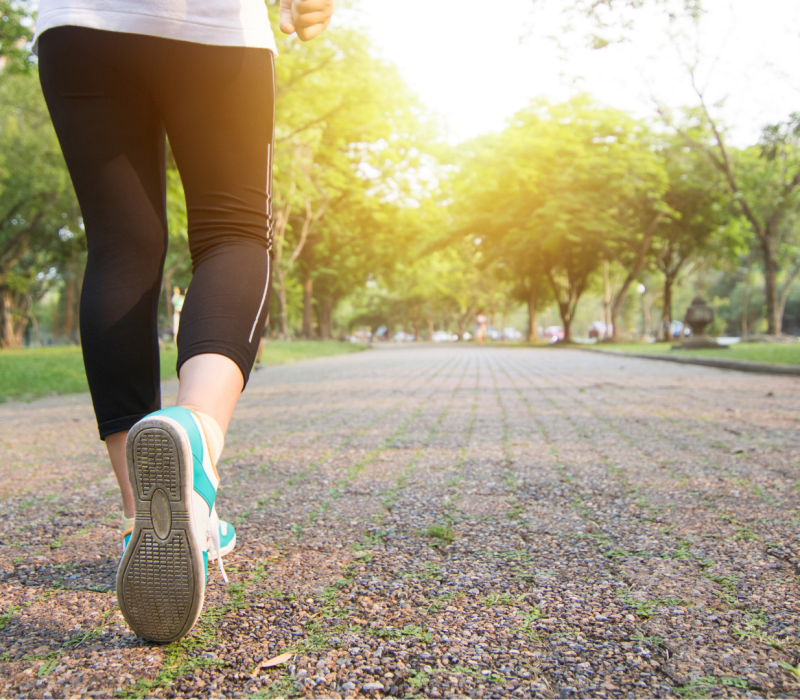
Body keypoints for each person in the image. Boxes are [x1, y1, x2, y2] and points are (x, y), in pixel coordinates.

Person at [34, 0, 334, 643]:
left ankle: (143, 514)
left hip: (77, 23)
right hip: (210, 22)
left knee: (120, 244)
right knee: (235, 233)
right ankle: (195, 440)